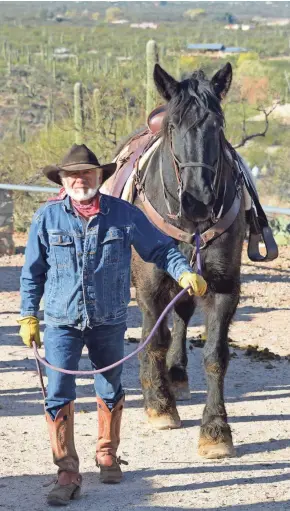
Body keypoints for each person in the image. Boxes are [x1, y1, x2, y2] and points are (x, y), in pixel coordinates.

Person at [18, 144, 207, 506]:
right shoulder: (47, 218)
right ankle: (67, 469)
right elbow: (32, 273)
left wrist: (184, 272)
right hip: (61, 321)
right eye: (72, 175)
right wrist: (29, 315)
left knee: (109, 387)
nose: (79, 180)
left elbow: (161, 249)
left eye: (87, 173)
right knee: (58, 392)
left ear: (100, 177)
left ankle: (107, 453)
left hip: (109, 319)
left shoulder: (123, 214)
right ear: (61, 180)